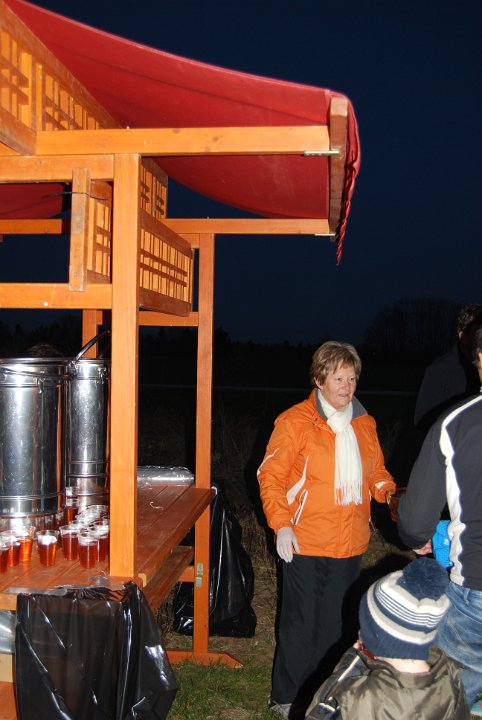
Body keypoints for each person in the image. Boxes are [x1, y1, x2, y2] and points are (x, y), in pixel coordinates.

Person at [258, 340, 396, 718]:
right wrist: (282, 525)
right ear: (319, 379)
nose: (347, 387)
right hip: (303, 539)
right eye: (339, 378)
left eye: (352, 378)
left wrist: (388, 492)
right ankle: (286, 696)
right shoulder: (295, 422)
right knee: (301, 622)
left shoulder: (364, 422)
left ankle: (323, 693)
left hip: (350, 541)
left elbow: (376, 471)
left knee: (336, 623)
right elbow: (270, 476)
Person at [397, 324, 482, 715]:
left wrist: (419, 537)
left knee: (440, 698)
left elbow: (415, 522)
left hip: (475, 593)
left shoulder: (456, 424)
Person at [305, 558, 469, 719]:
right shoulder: (448, 675)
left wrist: (345, 674)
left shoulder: (360, 700)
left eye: (364, 629)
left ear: (379, 639)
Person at [413, 303, 482, 431]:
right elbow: (422, 420)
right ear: (462, 335)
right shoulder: (438, 371)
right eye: (476, 333)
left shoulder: (479, 367)